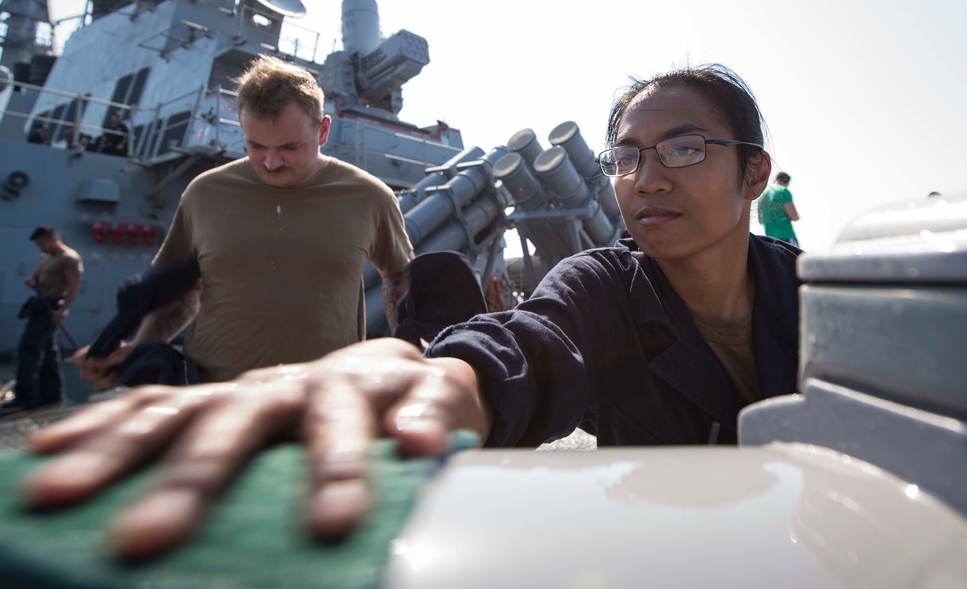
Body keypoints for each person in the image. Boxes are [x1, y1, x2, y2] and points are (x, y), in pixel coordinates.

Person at [23, 64, 801, 559]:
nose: (648, 177)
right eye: (627, 157)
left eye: (685, 148)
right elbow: (525, 342)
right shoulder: (600, 284)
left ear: (754, 170)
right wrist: (423, 375)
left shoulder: (825, 297)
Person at [71, 54, 414, 387]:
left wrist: (409, 354)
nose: (270, 163)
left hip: (322, 403)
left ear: (322, 130)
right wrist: (136, 352)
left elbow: (399, 278)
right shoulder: (204, 193)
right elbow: (178, 291)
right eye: (255, 145)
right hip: (210, 396)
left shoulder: (372, 198)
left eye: (289, 147)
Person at [0, 226, 83, 415]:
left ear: (53, 238)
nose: (41, 248)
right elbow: (37, 277)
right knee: (48, 351)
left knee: (29, 348)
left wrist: (63, 310)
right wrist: (32, 281)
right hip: (40, 304)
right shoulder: (46, 258)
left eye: (42, 244)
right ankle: (52, 394)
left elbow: (74, 286)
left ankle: (25, 395)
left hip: (51, 307)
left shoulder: (69, 258)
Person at [757, 171, 799, 247]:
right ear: (787, 182)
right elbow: (794, 216)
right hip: (786, 237)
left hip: (770, 240)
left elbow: (760, 221)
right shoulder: (784, 191)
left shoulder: (762, 195)